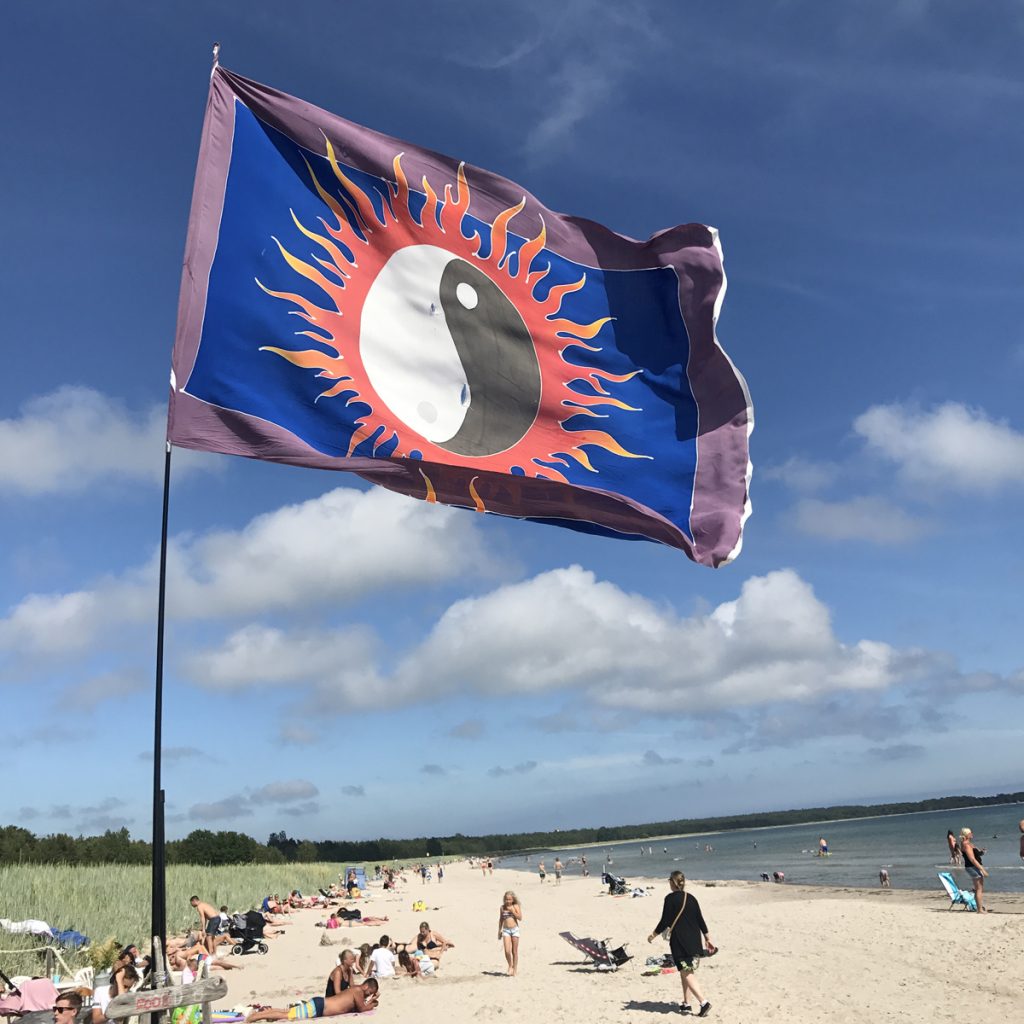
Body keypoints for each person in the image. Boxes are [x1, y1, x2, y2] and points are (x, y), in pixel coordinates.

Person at [648, 871, 715, 1018]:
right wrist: (707, 938)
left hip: (679, 941)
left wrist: (653, 934)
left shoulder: (670, 899)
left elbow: (664, 921)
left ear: (673, 882)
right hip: (694, 940)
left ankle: (704, 1003)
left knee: (687, 972)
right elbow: (700, 920)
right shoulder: (691, 898)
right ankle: (686, 1003)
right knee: (685, 971)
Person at [245, 980, 378, 1020]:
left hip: (319, 1005)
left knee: (286, 1012)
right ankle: (254, 1018)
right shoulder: (358, 991)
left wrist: (370, 1000)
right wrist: (373, 1002)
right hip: (319, 1006)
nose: (367, 996)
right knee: (288, 1015)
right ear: (365, 986)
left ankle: (259, 1015)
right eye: (369, 993)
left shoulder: (355, 990)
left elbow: (358, 1006)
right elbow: (362, 1009)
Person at [960, 827, 988, 913]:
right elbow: (972, 859)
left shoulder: (969, 843)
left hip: (973, 867)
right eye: (970, 833)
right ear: (967, 835)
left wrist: (981, 852)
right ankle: (979, 909)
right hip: (973, 867)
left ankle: (979, 908)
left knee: (978, 888)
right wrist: (982, 869)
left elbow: (975, 855)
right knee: (979, 889)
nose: (972, 834)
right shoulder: (966, 845)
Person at [497, 890, 522, 976]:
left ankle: (515, 969)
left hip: (515, 930)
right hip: (506, 930)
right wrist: (499, 931)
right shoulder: (502, 908)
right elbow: (501, 920)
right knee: (507, 951)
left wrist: (512, 911)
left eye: (510, 899)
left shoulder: (515, 906)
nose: (508, 901)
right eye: (506, 899)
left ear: (513, 900)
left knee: (514, 951)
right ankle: (510, 965)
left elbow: (520, 918)